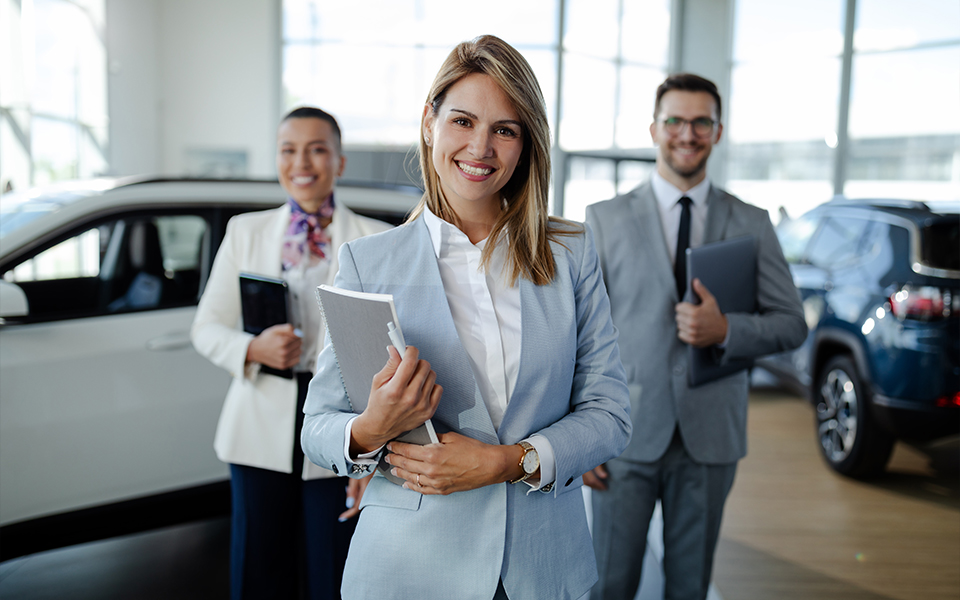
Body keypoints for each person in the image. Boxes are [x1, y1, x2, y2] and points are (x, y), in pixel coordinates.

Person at [300, 35, 632, 600]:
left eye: (505, 129)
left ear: (527, 144)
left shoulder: (571, 253)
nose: (480, 147)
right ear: (429, 122)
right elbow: (317, 428)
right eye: (462, 121)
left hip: (540, 567)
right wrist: (372, 426)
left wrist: (508, 462)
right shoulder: (368, 261)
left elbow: (610, 413)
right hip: (409, 566)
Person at [583, 73, 807, 600]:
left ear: (718, 130)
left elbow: (792, 323)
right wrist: (580, 436)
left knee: (690, 587)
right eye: (676, 121)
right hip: (624, 434)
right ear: (654, 129)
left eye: (701, 122)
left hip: (711, 438)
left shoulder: (751, 222)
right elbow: (581, 337)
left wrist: (727, 329)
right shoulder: (604, 219)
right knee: (608, 583)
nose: (688, 133)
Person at [191, 106, 393, 600]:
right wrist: (252, 347)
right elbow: (207, 327)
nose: (302, 161)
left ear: (339, 162)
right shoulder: (246, 231)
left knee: (334, 569)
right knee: (259, 570)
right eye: (289, 149)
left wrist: (373, 460)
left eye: (317, 148)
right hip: (259, 422)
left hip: (344, 428)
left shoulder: (375, 240)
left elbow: (387, 353)